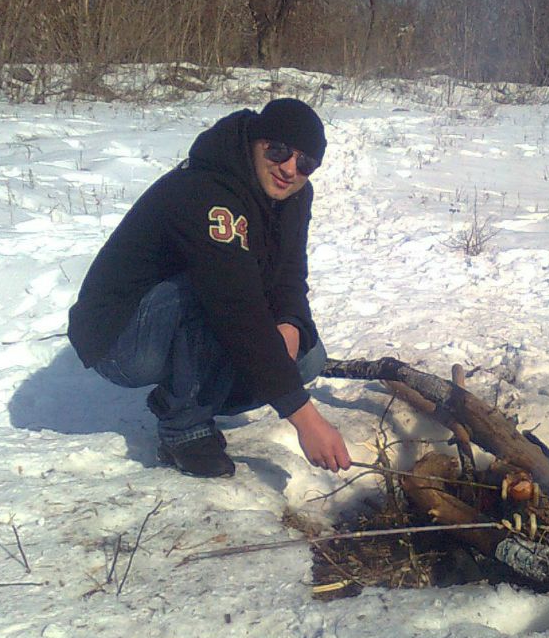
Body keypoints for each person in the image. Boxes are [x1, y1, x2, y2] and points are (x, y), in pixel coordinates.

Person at [67, 98, 351, 479]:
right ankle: (184, 427)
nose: (289, 168)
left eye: (305, 163)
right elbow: (233, 304)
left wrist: (289, 324)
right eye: (279, 150)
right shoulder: (206, 188)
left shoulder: (294, 196)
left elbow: (289, 274)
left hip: (188, 316)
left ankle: (190, 394)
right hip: (121, 336)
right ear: (257, 141)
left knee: (307, 360)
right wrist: (305, 419)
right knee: (213, 291)